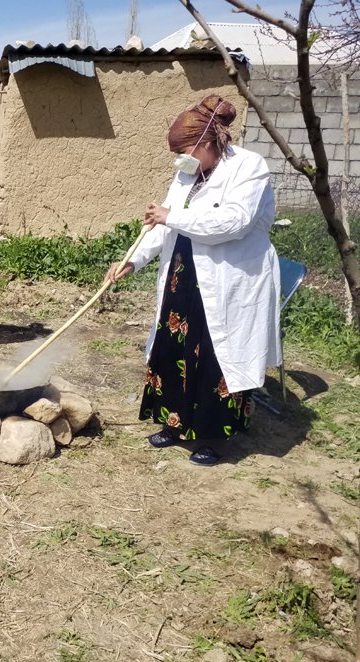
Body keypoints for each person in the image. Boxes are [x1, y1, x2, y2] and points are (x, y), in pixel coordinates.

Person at [106, 93, 280, 466]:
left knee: (216, 356)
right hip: (183, 277)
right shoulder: (188, 174)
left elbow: (234, 222)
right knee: (172, 349)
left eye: (186, 150)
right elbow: (159, 226)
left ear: (207, 141)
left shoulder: (249, 167)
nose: (180, 159)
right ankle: (173, 424)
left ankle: (212, 437)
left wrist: (171, 216)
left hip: (227, 279)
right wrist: (132, 261)